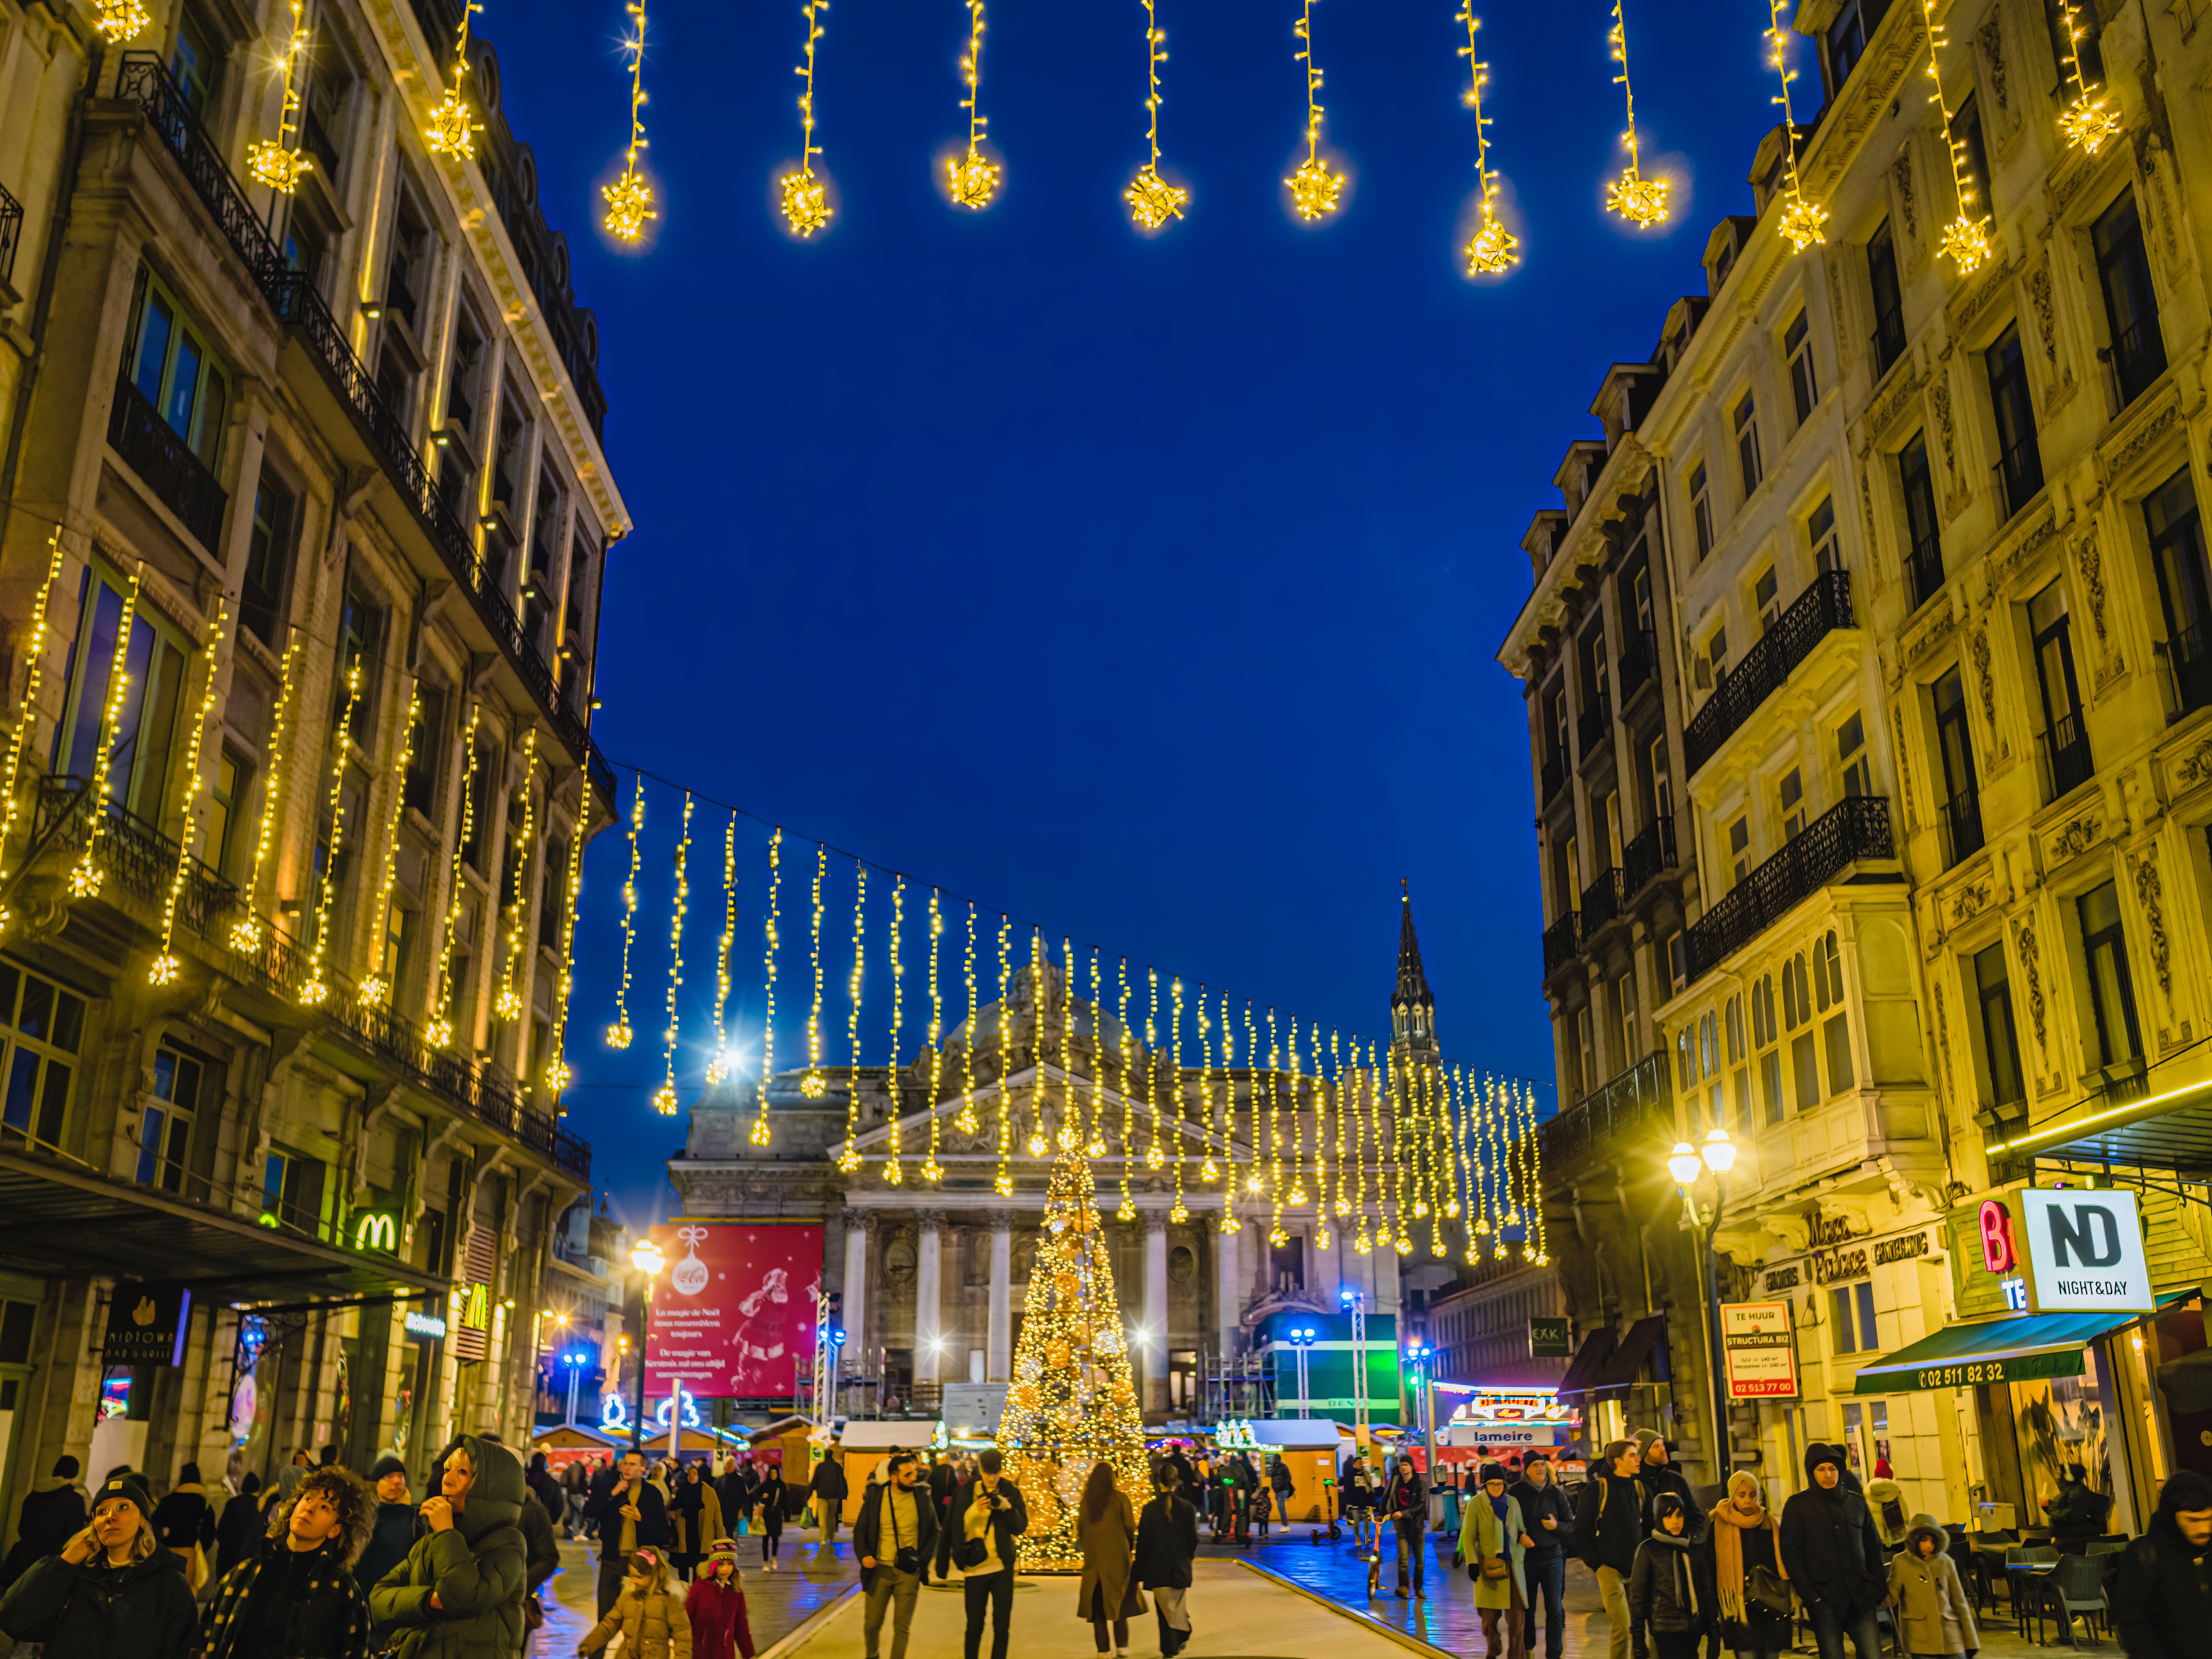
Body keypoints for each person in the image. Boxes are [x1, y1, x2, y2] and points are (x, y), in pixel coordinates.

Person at [0, 1471, 198, 1659]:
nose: (111, 1516)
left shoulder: (170, 1584)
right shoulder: (76, 1573)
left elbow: (176, 1651)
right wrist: (65, 1562)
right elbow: (16, 1623)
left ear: (142, 1520)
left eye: (123, 1507)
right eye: (102, 1511)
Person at [367, 1435, 529, 1658]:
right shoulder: (431, 1541)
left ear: (490, 1489)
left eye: (463, 1472)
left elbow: (466, 1597)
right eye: (447, 1469)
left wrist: (446, 1532)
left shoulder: (508, 1543)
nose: (448, 1479)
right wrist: (429, 1601)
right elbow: (378, 1599)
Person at [199, 1465, 373, 1659]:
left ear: (335, 1530)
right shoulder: (246, 1572)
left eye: (325, 1507)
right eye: (308, 1498)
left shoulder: (341, 1590)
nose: (310, 1508)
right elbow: (204, 1638)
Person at [1777, 1444, 1885, 1659]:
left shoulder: (1856, 1502)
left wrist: (1877, 1588)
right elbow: (1792, 1553)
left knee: (1873, 1655)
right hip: (1824, 1599)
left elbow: (1873, 1548)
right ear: (1812, 1473)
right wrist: (1810, 1596)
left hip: (1861, 1596)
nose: (1828, 1474)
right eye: (1821, 1469)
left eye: (1833, 1469)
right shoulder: (1798, 1506)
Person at [2114, 1466, 2212, 1656]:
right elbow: (2133, 1621)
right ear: (2171, 1517)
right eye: (2192, 1520)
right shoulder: (2146, 1555)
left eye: (2209, 1519)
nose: (2204, 1529)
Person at [856, 1454, 937, 1659]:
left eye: (915, 1472)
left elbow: (933, 1531)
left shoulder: (922, 1497)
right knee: (872, 1624)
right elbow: (860, 1530)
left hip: (909, 1573)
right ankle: (872, 1656)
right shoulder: (876, 1498)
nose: (914, 1478)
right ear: (894, 1477)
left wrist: (922, 1563)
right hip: (879, 1571)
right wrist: (864, 1555)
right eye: (908, 1474)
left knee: (902, 1627)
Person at [1575, 1440, 1647, 1659]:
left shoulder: (1641, 1489)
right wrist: (1598, 1565)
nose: (1638, 1459)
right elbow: (1580, 1532)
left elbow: (1652, 1528)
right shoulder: (1597, 1489)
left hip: (1639, 1569)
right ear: (1618, 1461)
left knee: (1640, 1627)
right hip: (1609, 1568)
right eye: (1632, 1456)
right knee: (1621, 1627)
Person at [952, 1447, 1027, 1659]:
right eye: (988, 1473)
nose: (992, 1478)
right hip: (975, 1568)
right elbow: (956, 1528)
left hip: (1003, 1567)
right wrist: (975, 1510)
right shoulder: (966, 1492)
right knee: (975, 1626)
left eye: (996, 1473)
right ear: (980, 1470)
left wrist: (1007, 1507)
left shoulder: (1010, 1491)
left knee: (1002, 1626)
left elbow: (1020, 1527)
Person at [1707, 1472, 1790, 1659]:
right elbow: (1710, 1564)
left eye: (1752, 1495)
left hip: (1769, 1603)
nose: (1747, 1501)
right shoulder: (1720, 1524)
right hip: (1739, 1605)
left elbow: (1781, 1560)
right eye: (1741, 1495)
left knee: (1771, 1654)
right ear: (1732, 1496)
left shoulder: (1769, 1522)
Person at [584, 1449, 671, 1619]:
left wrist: (641, 1519)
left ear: (644, 1469)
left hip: (640, 1564)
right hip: (611, 1560)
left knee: (638, 1618)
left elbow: (663, 1533)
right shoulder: (613, 1488)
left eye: (633, 1464)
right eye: (625, 1463)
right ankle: (597, 1647)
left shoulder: (652, 1494)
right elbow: (589, 1511)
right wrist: (612, 1494)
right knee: (605, 1617)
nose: (627, 1468)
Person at [1459, 1461, 1529, 1659]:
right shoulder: (1476, 1504)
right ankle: (1494, 1645)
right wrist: (1472, 1563)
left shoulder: (1513, 1503)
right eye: (1492, 1484)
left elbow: (1521, 1529)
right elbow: (1469, 1537)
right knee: (1489, 1618)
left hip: (1512, 1568)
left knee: (1517, 1619)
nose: (1497, 1488)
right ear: (1485, 1485)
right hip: (1487, 1568)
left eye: (1500, 1483)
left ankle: (1516, 1656)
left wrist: (1525, 1539)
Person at [1632, 1493, 1714, 1659]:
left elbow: (1707, 1592)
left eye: (1679, 1515)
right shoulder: (1648, 1550)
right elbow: (1638, 1597)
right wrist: (1638, 1639)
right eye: (1668, 1516)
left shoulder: (1694, 1549)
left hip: (1694, 1627)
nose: (1675, 1521)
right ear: (1658, 1518)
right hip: (1665, 1627)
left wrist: (1714, 1632)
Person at [1074, 1461, 1144, 1659]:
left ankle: (1103, 1650)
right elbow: (1130, 1527)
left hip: (1094, 1564)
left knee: (1097, 1610)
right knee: (1119, 1605)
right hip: (1117, 1561)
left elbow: (1081, 1531)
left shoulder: (1087, 1502)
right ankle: (1122, 1647)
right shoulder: (1120, 1499)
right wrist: (1127, 1549)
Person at [1886, 1513, 1976, 1659]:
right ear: (1915, 1539)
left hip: (1950, 1636)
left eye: (1933, 1541)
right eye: (1924, 1539)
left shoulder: (1945, 1561)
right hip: (1920, 1639)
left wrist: (1971, 1642)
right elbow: (1891, 1598)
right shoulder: (1901, 1562)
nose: (1929, 1545)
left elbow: (1960, 1602)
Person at [1511, 1454, 1574, 1659]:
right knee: (1527, 1608)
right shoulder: (1516, 1493)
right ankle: (1528, 1648)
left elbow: (1570, 1524)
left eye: (1543, 1465)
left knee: (1555, 1608)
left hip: (1553, 1557)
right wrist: (1520, 1537)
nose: (1541, 1469)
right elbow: (1505, 1523)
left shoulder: (1555, 1493)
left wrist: (1557, 1526)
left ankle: (1554, 1654)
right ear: (1526, 1469)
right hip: (1526, 1559)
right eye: (1536, 1465)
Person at [579, 1547, 692, 1659]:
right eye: (632, 1576)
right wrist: (589, 1644)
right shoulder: (628, 1597)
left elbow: (683, 1638)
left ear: (654, 1575)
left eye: (639, 1577)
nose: (634, 1581)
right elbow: (609, 1624)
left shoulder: (669, 1601)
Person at [1134, 1459, 1197, 1659]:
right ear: (1175, 1482)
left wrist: (1138, 1570)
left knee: (1163, 1610)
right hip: (1179, 1565)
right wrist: (1187, 1558)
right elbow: (1192, 1540)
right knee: (1177, 1606)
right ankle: (1180, 1635)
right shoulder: (1186, 1507)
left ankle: (1170, 1647)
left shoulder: (1150, 1509)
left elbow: (1143, 1543)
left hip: (1156, 1567)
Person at [1, 1455, 86, 1589]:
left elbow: (22, 1529)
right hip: (50, 1568)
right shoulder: (74, 1500)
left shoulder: (34, 1495)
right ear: (75, 1473)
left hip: (22, 1562)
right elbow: (73, 1537)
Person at [150, 1461, 218, 1593]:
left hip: (166, 1554)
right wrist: (202, 1549)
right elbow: (209, 1533)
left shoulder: (168, 1501)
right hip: (190, 1556)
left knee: (165, 1593)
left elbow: (154, 1525)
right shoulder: (204, 1504)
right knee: (186, 1594)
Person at [355, 1458, 416, 1599]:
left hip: (393, 1599)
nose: (397, 1481)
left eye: (401, 1476)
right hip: (359, 1597)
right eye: (389, 1476)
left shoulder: (415, 1519)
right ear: (376, 1483)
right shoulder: (362, 1515)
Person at [684, 1541, 754, 1659]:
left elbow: (741, 1627)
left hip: (725, 1654)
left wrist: (749, 1654)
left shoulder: (736, 1592)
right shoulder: (699, 1588)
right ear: (713, 1565)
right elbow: (686, 1622)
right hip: (700, 1654)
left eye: (729, 1564)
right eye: (721, 1564)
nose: (726, 1569)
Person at [1633, 1434, 1705, 1538]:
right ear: (1644, 1452)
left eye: (1662, 1445)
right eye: (1656, 1447)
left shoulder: (1676, 1479)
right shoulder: (1636, 1483)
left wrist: (1691, 1536)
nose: (1663, 1450)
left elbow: (1694, 1515)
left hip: (1678, 1546)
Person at [670, 1461, 725, 1583]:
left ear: (699, 1475)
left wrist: (720, 1532)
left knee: (700, 1567)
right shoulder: (682, 1491)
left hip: (702, 1535)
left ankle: (697, 1591)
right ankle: (685, 1590)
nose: (692, 1476)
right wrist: (672, 1514)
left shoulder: (709, 1492)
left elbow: (717, 1512)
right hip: (685, 1534)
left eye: (695, 1474)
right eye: (690, 1474)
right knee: (684, 1565)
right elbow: (673, 1508)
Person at [1383, 1452, 1427, 1601]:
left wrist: (1404, 1514)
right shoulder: (1396, 1482)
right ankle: (1404, 1588)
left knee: (1419, 1560)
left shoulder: (1420, 1484)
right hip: (1401, 1526)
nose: (1403, 1467)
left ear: (1411, 1467)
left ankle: (1419, 1588)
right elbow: (1387, 1496)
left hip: (1417, 1526)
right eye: (1402, 1465)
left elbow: (1421, 1506)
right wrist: (1381, 1513)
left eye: (1406, 1465)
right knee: (1403, 1559)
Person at [2043, 1463, 2115, 1542]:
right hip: (2072, 1539)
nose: (2058, 1477)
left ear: (2069, 1477)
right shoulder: (2069, 1491)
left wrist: (2052, 1511)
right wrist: (2047, 1505)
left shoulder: (2078, 1492)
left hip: (2078, 1542)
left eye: (2060, 1474)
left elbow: (2071, 1516)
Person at [215, 1472, 267, 1579]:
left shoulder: (232, 1504)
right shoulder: (262, 1506)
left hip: (228, 1556)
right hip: (249, 1558)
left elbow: (222, 1531)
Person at [810, 1450, 850, 1544]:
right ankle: (831, 1538)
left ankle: (823, 1539)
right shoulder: (837, 1467)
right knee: (832, 1518)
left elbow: (814, 1481)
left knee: (822, 1519)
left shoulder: (820, 1467)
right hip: (833, 1496)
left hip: (822, 1496)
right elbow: (842, 1480)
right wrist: (844, 1494)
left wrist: (809, 1495)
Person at [757, 1466, 788, 1571]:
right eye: (772, 1473)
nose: (774, 1475)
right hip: (766, 1516)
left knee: (775, 1538)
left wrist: (787, 1516)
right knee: (765, 1539)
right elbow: (756, 1497)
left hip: (777, 1516)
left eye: (775, 1473)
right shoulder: (765, 1485)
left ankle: (774, 1558)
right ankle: (766, 1562)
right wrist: (762, 1498)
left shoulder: (781, 1486)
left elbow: (786, 1501)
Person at [1268, 1455, 1295, 1530]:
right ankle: (1285, 1525)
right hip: (1277, 1491)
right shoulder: (1273, 1468)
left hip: (1283, 1490)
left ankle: (1285, 1525)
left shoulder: (1284, 1467)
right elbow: (1273, 1478)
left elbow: (1289, 1478)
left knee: (1281, 1507)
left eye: (1276, 1459)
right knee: (1280, 1508)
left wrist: (1283, 1485)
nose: (1275, 1461)